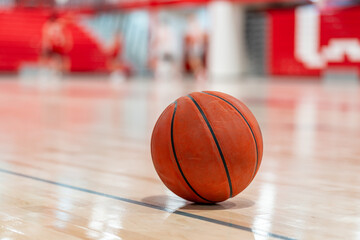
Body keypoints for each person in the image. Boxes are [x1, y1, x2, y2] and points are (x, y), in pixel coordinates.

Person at [185, 14, 207, 81]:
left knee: (196, 61)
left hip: (197, 47)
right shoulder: (191, 27)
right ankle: (198, 73)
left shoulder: (197, 27)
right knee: (192, 61)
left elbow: (199, 37)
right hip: (193, 48)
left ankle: (201, 73)